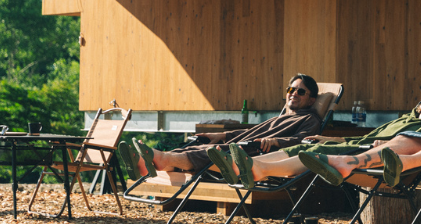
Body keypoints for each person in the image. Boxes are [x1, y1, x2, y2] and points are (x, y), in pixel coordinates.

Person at [207, 77, 421, 189]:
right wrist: (330, 137)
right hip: (360, 146)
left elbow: (410, 147)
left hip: (370, 157)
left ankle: (260, 170)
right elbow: (364, 138)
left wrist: (388, 144)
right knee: (305, 146)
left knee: (316, 152)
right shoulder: (405, 118)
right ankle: (245, 165)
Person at [119, 74, 322, 179]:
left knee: (212, 153)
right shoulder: (282, 115)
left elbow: (304, 142)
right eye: (291, 89)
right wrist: (223, 135)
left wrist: (275, 140)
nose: (293, 94)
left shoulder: (309, 119)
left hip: (259, 152)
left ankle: (160, 159)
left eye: (301, 92)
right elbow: (250, 131)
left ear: (311, 100)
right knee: (196, 147)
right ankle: (153, 163)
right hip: (246, 141)